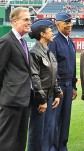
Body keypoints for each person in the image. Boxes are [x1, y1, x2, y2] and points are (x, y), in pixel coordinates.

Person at [27, 19, 63, 151]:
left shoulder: (49, 52)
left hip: (49, 97)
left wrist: (57, 94)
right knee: (36, 134)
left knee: (47, 132)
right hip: (40, 100)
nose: (52, 32)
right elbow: (34, 78)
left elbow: (53, 75)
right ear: (42, 34)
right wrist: (42, 100)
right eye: (50, 30)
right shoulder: (34, 52)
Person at [0, 7, 32, 151]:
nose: (29, 22)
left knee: (20, 140)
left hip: (24, 99)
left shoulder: (23, 42)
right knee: (6, 142)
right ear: (14, 21)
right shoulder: (7, 41)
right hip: (11, 100)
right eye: (26, 19)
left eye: (30, 19)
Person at [49, 12, 77, 151]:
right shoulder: (53, 41)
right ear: (57, 24)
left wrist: (74, 86)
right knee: (54, 121)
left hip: (68, 86)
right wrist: (56, 90)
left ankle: (62, 146)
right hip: (58, 87)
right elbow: (52, 68)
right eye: (66, 23)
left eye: (70, 22)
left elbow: (73, 65)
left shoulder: (70, 41)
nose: (69, 25)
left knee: (65, 120)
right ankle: (53, 147)